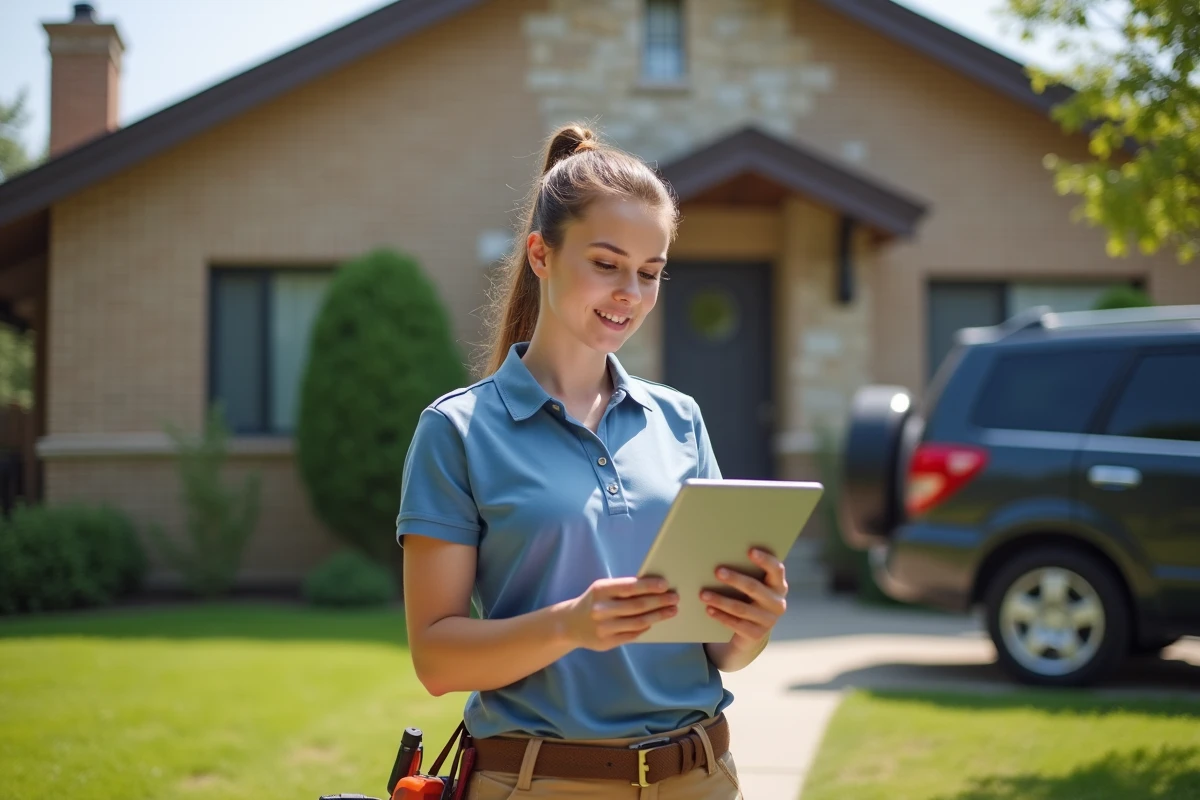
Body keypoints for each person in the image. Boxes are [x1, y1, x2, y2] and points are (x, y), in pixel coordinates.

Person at [395, 123, 789, 800]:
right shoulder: (457, 430)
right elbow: (436, 658)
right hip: (539, 782)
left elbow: (719, 650)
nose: (629, 293)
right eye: (606, 264)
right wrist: (570, 626)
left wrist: (752, 626)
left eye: (650, 272)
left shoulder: (681, 420)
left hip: (700, 777)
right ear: (541, 256)